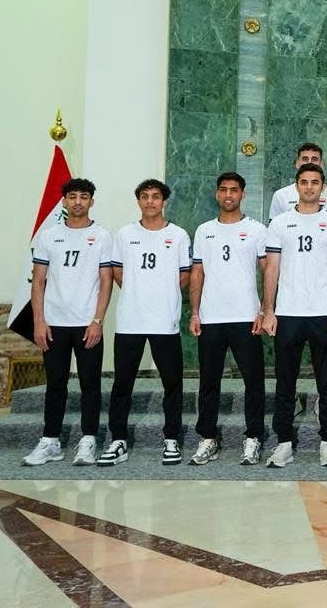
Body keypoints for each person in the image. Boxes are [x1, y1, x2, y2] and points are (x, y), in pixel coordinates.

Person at [261, 163, 327, 468]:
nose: (309, 187)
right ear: (296, 186)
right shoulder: (280, 223)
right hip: (287, 313)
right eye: (304, 182)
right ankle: (284, 443)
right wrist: (268, 310)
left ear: (322, 187)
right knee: (285, 383)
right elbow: (271, 268)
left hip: (324, 313)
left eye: (315, 182)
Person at [98, 179, 191, 467]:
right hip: (130, 321)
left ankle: (171, 439)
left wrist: (161, 295)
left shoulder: (178, 235)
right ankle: (118, 440)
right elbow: (117, 272)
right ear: (138, 201)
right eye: (145, 196)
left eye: (156, 196)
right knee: (122, 384)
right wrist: (139, 293)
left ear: (164, 201)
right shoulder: (125, 234)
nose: (150, 201)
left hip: (165, 322)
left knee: (172, 384)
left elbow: (184, 276)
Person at [22, 178, 114, 467]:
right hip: (54, 324)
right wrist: (39, 321)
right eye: (72, 196)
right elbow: (38, 282)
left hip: (87, 324)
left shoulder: (102, 236)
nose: (77, 202)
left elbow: (106, 281)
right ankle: (51, 441)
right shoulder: (48, 236)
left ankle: (88, 440)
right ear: (64, 201)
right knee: (55, 384)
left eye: (83, 197)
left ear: (91, 202)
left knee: (90, 384)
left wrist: (97, 321)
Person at [188, 172, 268, 467]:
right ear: (216, 194)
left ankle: (253, 437)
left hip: (246, 317)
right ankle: (208, 437)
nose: (228, 195)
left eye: (234, 190)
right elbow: (197, 273)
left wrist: (264, 310)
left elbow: (269, 271)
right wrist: (195, 312)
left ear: (243, 194)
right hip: (211, 318)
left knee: (253, 382)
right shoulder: (204, 230)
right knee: (209, 382)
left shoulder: (256, 229)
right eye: (223, 190)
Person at [269, 141, 327, 222]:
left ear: (322, 164)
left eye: (314, 159)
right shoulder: (281, 196)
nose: (309, 162)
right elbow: (274, 227)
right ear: (297, 163)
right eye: (305, 159)